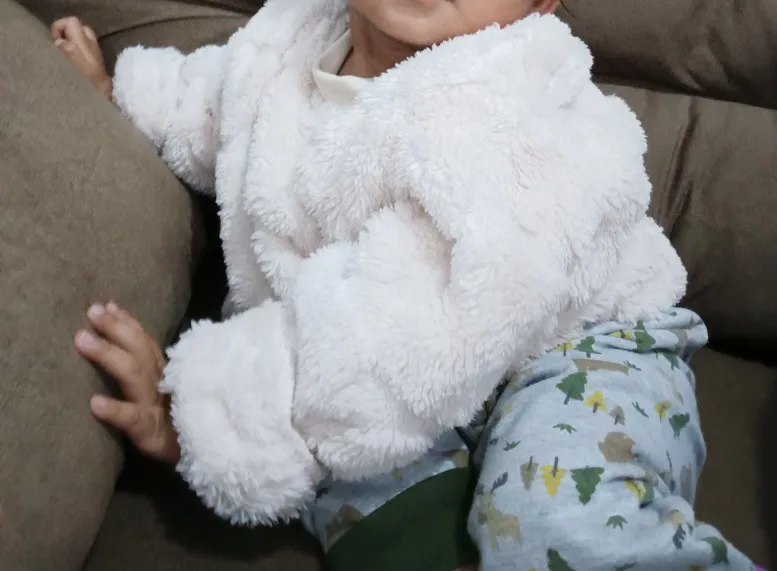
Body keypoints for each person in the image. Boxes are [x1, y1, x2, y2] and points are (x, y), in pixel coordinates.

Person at [55, 0, 758, 569]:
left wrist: (201, 411)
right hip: (409, 361)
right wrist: (120, 94)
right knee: (366, 506)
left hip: (581, 347)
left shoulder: (522, 118)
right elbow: (218, 108)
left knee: (552, 519)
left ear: (539, 5)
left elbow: (397, 336)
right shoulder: (290, 39)